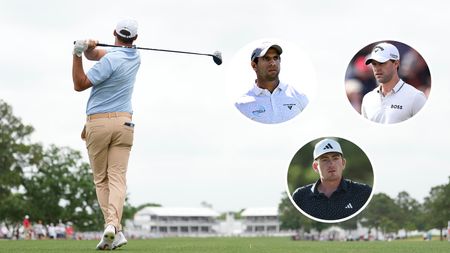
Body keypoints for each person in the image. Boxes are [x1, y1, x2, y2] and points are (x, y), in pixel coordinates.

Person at [72, 18, 140, 250]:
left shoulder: (110, 60)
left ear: (114, 33)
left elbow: (80, 84)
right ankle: (115, 229)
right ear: (135, 39)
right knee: (118, 179)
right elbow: (99, 54)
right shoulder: (135, 56)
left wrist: (77, 54)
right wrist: (89, 47)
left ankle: (110, 225)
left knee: (101, 179)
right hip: (124, 124)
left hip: (99, 124)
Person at [292, 138, 372, 220]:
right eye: (325, 160)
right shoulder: (300, 196)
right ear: (316, 167)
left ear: (343, 163)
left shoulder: (363, 193)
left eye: (335, 158)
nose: (331, 164)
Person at [235, 42, 309, 124]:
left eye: (275, 58)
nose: (273, 63)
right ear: (254, 65)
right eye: (266, 59)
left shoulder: (298, 96)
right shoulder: (241, 105)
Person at [361, 42, 427, 124]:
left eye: (382, 63)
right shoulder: (368, 99)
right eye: (374, 64)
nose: (377, 69)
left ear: (396, 64)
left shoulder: (416, 97)